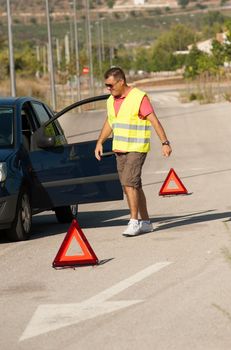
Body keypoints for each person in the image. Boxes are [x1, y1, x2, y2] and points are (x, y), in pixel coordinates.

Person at [95, 67, 172, 237]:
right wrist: (100, 141)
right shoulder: (111, 100)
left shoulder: (139, 98)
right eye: (106, 85)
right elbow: (110, 122)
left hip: (136, 148)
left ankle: (133, 221)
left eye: (110, 85)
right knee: (131, 185)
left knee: (130, 183)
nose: (108, 88)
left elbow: (154, 121)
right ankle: (146, 222)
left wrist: (165, 142)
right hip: (120, 148)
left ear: (121, 81)